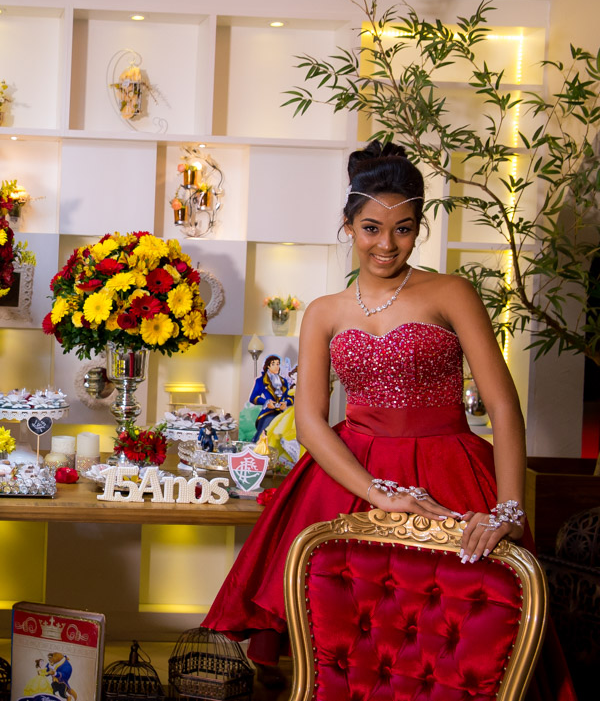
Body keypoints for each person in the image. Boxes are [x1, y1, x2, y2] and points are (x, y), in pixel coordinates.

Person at [202, 141, 575, 699]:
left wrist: (510, 509)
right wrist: (380, 493)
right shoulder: (323, 311)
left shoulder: (451, 292)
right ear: (348, 225)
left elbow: (502, 404)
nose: (386, 243)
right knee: (347, 641)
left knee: (456, 639)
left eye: (403, 228)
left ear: (418, 228)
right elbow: (309, 422)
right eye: (372, 227)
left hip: (447, 470)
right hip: (349, 478)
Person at [247, 354, 292, 441]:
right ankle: (257, 447)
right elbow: (253, 397)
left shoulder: (283, 381)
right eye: (273, 364)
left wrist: (286, 403)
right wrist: (266, 402)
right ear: (268, 366)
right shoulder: (261, 381)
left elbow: (290, 396)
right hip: (268, 412)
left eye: (278, 364)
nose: (276, 367)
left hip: (281, 412)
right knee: (266, 425)